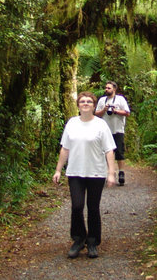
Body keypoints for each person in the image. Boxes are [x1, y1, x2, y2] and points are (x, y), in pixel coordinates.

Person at [53, 91, 117, 259]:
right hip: (75, 172)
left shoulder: (101, 125)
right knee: (77, 206)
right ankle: (79, 239)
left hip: (96, 173)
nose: (86, 103)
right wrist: (58, 170)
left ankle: (93, 242)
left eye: (89, 101)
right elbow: (65, 148)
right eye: (83, 101)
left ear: (94, 105)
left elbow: (109, 150)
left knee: (93, 208)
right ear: (78, 105)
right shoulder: (72, 123)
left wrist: (111, 173)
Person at [94, 81, 130, 186]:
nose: (106, 89)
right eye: (105, 88)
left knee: (119, 152)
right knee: (105, 152)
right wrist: (104, 110)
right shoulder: (102, 100)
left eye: (108, 88)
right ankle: (109, 172)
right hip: (105, 131)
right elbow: (96, 114)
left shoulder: (120, 99)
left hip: (118, 129)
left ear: (114, 89)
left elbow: (127, 113)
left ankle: (121, 172)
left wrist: (116, 111)